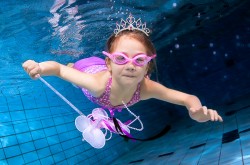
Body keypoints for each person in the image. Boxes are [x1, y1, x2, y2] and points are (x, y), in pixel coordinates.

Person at [22, 14, 223, 124]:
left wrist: (195, 111)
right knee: (72, 73)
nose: (130, 65)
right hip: (88, 67)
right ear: (109, 62)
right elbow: (57, 69)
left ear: (147, 67)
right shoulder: (97, 84)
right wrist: (39, 67)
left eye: (139, 60)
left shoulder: (146, 87)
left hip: (105, 68)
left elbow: (187, 98)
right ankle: (73, 58)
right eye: (121, 58)